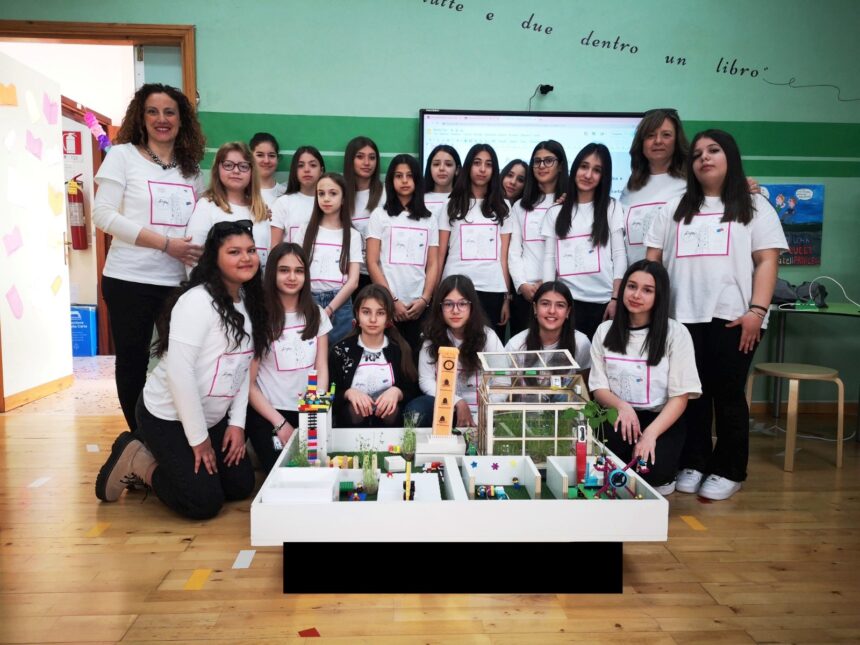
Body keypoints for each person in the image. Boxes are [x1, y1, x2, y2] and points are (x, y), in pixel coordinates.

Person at [645, 129, 787, 500]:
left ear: (730, 157)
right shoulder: (674, 208)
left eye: (714, 150)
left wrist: (757, 311)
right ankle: (694, 462)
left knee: (727, 395)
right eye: (697, 154)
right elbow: (653, 262)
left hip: (735, 318)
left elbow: (766, 260)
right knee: (690, 394)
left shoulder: (755, 206)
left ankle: (729, 469)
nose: (704, 158)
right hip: (680, 319)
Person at [95, 220, 268, 519]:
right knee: (204, 502)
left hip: (211, 417)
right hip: (167, 416)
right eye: (234, 252)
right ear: (215, 258)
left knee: (240, 485)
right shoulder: (197, 302)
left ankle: (184, 463)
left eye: (251, 250)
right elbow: (180, 375)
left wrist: (237, 425)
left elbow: (241, 368)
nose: (246, 258)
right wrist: (199, 440)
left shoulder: (250, 302)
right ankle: (137, 459)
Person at [93, 83, 205, 433]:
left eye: (170, 112)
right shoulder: (122, 156)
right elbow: (103, 214)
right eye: (152, 112)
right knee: (134, 361)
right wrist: (165, 244)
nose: (161, 119)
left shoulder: (191, 171)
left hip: (178, 283)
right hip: (130, 280)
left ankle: (171, 433)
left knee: (181, 360)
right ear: (141, 118)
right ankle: (140, 439)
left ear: (181, 120)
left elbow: (203, 222)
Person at [589, 260, 701, 495]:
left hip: (660, 419)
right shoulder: (604, 331)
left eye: (647, 290)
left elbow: (680, 397)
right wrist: (622, 406)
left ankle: (668, 467)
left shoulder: (676, 333)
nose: (636, 295)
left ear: (659, 296)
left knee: (654, 475)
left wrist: (650, 435)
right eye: (631, 286)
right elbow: (599, 388)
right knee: (606, 470)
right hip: (619, 416)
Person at [246, 243, 331, 471]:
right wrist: (279, 423)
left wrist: (316, 409)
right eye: (284, 270)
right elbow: (249, 385)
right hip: (270, 413)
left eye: (299, 271)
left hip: (308, 411)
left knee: (313, 470)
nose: (292, 277)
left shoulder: (317, 314)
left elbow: (321, 366)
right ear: (272, 273)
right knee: (283, 472)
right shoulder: (259, 318)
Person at [542, 143, 627, 340]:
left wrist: (615, 298)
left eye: (597, 170)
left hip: (603, 303)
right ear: (575, 169)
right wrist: (548, 300)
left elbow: (619, 254)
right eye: (584, 167)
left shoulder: (611, 207)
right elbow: (549, 259)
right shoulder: (555, 212)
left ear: (604, 176)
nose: (588, 175)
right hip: (566, 304)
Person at [405, 275, 505, 428]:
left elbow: (503, 381)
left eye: (462, 304)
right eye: (448, 304)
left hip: (483, 410)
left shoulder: (488, 336)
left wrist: (480, 416)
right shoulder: (431, 337)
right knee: (416, 410)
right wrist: (457, 402)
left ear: (472, 306)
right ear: (440, 307)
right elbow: (426, 380)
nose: (455, 311)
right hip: (448, 408)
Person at [366, 154, 439, 356]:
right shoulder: (379, 215)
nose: (404, 181)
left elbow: (433, 263)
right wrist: (392, 300)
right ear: (391, 180)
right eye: (399, 176)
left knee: (417, 360)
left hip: (419, 306)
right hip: (386, 305)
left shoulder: (430, 219)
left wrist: (425, 299)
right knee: (389, 360)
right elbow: (372, 262)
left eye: (410, 176)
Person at [438, 143, 512, 330]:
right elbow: (440, 255)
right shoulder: (450, 205)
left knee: (488, 344)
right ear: (468, 167)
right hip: (455, 288)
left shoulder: (503, 207)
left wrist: (506, 297)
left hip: (492, 289)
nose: (482, 169)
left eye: (488, 164)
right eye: (477, 163)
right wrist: (436, 293)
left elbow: (503, 257)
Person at [328, 285, 418, 428]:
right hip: (350, 424)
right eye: (366, 312)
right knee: (355, 410)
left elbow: (413, 393)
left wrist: (397, 392)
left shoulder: (400, 349)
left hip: (390, 423)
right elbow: (330, 395)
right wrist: (348, 393)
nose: (373, 319)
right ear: (357, 314)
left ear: (388, 317)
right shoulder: (340, 350)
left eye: (380, 313)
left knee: (392, 411)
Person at [508, 140, 569, 335]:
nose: (542, 166)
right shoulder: (520, 206)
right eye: (537, 161)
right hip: (526, 293)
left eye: (548, 160)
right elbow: (514, 251)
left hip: (560, 290)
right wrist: (522, 285)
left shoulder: (569, 203)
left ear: (560, 166)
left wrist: (550, 282)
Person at [298, 172, 361, 344]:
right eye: (321, 193)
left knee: (338, 355)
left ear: (343, 198)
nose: (326, 198)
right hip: (308, 300)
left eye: (333, 193)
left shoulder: (353, 235)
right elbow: (296, 268)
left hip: (340, 305)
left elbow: (353, 281)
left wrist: (329, 309)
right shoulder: (305, 230)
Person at [620, 109, 689, 265]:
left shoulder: (691, 184)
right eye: (650, 135)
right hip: (634, 277)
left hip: (673, 277)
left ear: (677, 141)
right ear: (641, 143)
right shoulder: (630, 187)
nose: (658, 141)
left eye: (666, 135)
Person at [186, 142, 271, 269]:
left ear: (252, 171)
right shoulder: (206, 206)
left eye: (243, 166)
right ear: (217, 169)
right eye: (228, 165)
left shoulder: (259, 210)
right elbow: (193, 259)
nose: (236, 171)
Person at [504, 281, 592, 372]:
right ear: (535, 308)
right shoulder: (516, 345)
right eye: (545, 304)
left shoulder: (581, 343)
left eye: (560, 305)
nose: (552, 311)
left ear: (568, 311)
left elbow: (584, 379)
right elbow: (502, 379)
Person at [343, 136, 385, 291]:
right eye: (360, 157)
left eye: (372, 158)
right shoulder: (339, 194)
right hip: (349, 275)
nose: (367, 163)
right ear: (350, 160)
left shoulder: (386, 194)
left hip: (381, 275)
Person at [270, 145, 325, 247]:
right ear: (294, 171)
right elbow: (274, 247)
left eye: (313, 165)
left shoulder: (330, 202)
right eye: (300, 165)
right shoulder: (283, 202)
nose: (307, 170)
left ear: (321, 171)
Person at [249, 132, 286, 207]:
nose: (266, 161)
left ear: (277, 159)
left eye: (271, 155)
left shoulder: (286, 194)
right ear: (250, 158)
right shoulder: (240, 193)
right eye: (260, 155)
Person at [423, 144, 461, 212]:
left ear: (457, 170)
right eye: (436, 164)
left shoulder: (464, 199)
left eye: (448, 164)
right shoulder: (419, 199)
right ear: (429, 168)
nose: (441, 168)